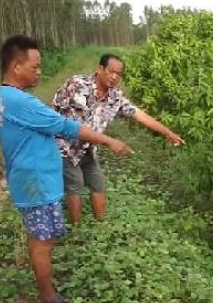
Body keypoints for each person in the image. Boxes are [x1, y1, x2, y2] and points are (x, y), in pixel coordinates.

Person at [0, 35, 134, 303]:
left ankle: (45, 286)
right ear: (15, 66)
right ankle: (49, 298)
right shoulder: (21, 102)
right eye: (34, 67)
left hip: (28, 177)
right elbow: (68, 127)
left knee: (40, 236)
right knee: (45, 240)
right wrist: (110, 141)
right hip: (36, 181)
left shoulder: (2, 97)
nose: (39, 72)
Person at [52, 53, 184, 225]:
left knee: (98, 183)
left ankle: (102, 227)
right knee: (75, 184)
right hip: (65, 147)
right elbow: (53, 108)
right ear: (100, 69)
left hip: (88, 149)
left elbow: (140, 115)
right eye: (110, 71)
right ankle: (77, 230)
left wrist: (168, 133)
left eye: (118, 74)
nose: (114, 77)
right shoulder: (77, 84)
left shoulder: (115, 98)